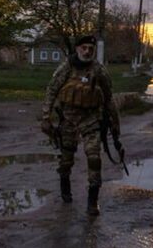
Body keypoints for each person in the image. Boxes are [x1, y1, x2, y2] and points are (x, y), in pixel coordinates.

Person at [41, 34, 120, 215]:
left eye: (90, 49)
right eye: (84, 48)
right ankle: (65, 188)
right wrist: (46, 118)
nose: (87, 51)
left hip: (91, 120)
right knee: (66, 158)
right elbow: (51, 91)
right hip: (68, 119)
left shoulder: (99, 71)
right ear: (77, 48)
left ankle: (92, 201)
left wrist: (115, 123)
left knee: (94, 157)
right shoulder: (66, 68)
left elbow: (109, 99)